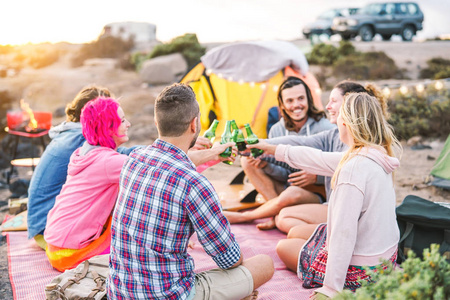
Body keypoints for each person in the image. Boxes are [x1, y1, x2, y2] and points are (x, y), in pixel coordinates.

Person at [108, 83, 274, 300]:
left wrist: (214, 153)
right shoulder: (194, 184)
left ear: (157, 122)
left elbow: (173, 161)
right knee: (264, 264)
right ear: (195, 124)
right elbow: (228, 259)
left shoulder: (134, 159)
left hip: (120, 292)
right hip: (171, 294)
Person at [248, 92, 402, 298]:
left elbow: (343, 235)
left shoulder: (352, 170)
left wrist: (331, 289)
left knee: (283, 246)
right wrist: (270, 148)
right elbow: (317, 158)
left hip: (363, 271)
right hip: (384, 260)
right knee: (294, 232)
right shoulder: (375, 154)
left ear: (346, 122)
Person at [224, 81, 383, 231]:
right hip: (316, 198)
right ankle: (279, 215)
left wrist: (316, 177)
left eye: (333, 101)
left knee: (289, 222)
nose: (328, 106)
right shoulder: (332, 134)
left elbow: (320, 159)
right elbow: (299, 143)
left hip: (341, 209)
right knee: (285, 219)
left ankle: (249, 216)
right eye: (290, 100)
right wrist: (261, 146)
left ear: (350, 104)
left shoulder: (357, 143)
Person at [230, 77, 334, 229]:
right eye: (290, 101)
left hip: (317, 194)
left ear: (309, 99)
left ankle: (246, 217)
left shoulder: (326, 128)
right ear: (282, 105)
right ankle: (275, 215)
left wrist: (316, 177)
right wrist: (265, 165)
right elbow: (284, 174)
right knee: (248, 161)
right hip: (286, 188)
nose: (296, 105)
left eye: (300, 98)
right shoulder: (277, 130)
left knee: (292, 192)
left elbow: (340, 167)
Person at [44, 97, 132, 271]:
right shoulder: (107, 162)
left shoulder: (84, 153)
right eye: (122, 121)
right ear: (108, 128)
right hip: (70, 254)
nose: (128, 124)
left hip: (55, 247)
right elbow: (154, 169)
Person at [27, 86, 116, 248]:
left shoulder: (68, 132)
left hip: (39, 222)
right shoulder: (82, 137)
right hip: (49, 230)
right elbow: (114, 160)